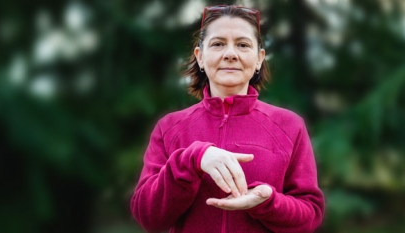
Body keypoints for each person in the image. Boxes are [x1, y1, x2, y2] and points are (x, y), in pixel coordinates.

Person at [130, 5, 324, 233]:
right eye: (218, 44)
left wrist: (269, 202)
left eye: (243, 45)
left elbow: (310, 216)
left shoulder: (290, 126)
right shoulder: (169, 128)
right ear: (200, 57)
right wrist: (193, 159)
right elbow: (148, 216)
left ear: (259, 58)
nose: (230, 53)